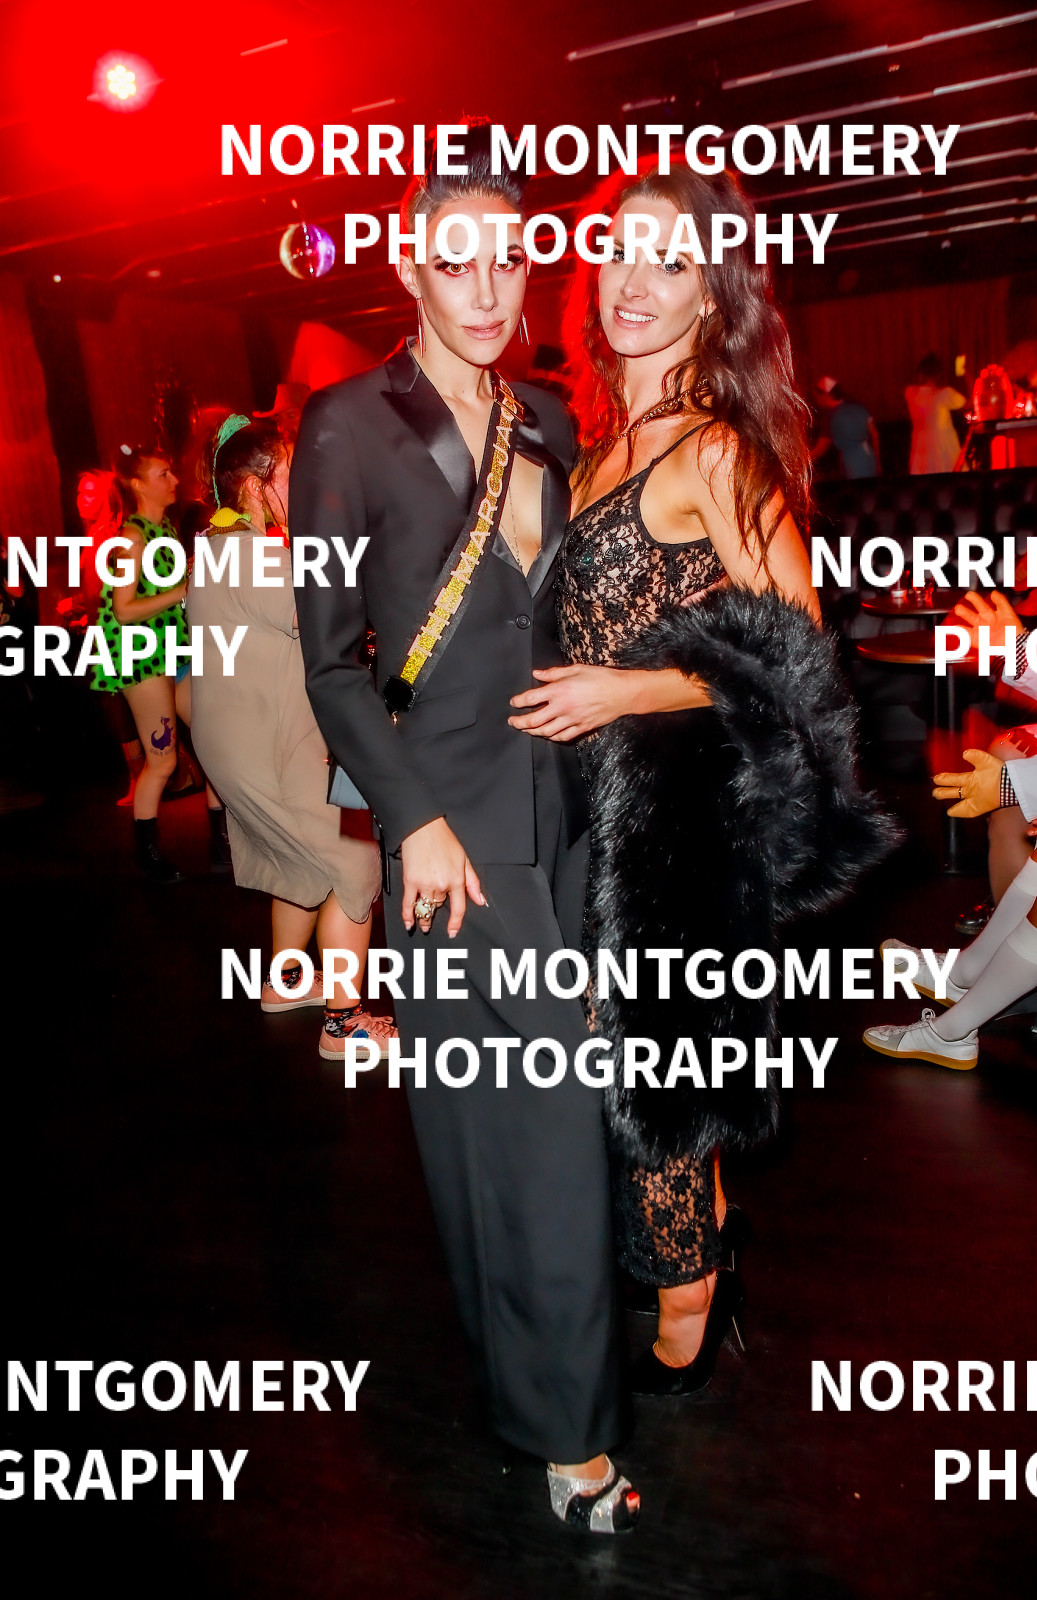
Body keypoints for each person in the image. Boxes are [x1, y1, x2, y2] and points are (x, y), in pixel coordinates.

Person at [291, 125, 637, 1534]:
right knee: (538, 1124)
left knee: (514, 1121)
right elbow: (329, 664)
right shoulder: (346, 425)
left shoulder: (549, 415)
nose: (488, 289)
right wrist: (411, 820)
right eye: (457, 262)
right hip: (451, 827)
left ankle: (528, 1377)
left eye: (507, 259)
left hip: (570, 809)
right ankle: (571, 1435)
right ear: (407, 267)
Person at [509, 159, 895, 1397]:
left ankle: (689, 1298)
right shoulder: (594, 451)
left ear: (709, 298)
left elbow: (799, 651)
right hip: (588, 811)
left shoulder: (715, 451)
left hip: (675, 823)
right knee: (622, 1060)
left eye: (669, 260)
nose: (633, 277)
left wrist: (631, 691)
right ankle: (691, 1250)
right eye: (618, 248)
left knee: (650, 1071)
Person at [187, 415, 390, 1060]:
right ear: (257, 484)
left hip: (242, 738)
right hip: (266, 744)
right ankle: (344, 1025)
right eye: (294, 473)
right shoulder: (251, 555)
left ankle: (286, 982)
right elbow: (335, 617)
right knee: (355, 864)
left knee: (292, 863)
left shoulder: (221, 545)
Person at [89, 445, 190, 883]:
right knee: (162, 761)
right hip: (140, 653)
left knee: (211, 738)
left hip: (170, 648)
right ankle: (147, 856)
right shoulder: (132, 538)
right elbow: (124, 608)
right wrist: (182, 590)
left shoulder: (163, 527)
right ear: (137, 484)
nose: (174, 480)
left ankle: (225, 842)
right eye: (163, 474)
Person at [905, 353, 966, 475]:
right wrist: (964, 373)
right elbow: (969, 402)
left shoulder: (910, 393)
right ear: (938, 375)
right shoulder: (943, 395)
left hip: (921, 454)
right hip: (942, 450)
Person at [811, 376, 880, 478]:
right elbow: (875, 435)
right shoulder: (858, 407)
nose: (816, 400)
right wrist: (877, 461)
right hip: (869, 458)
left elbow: (821, 449)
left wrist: (802, 458)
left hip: (852, 463)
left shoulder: (830, 416)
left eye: (817, 396)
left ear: (827, 395)